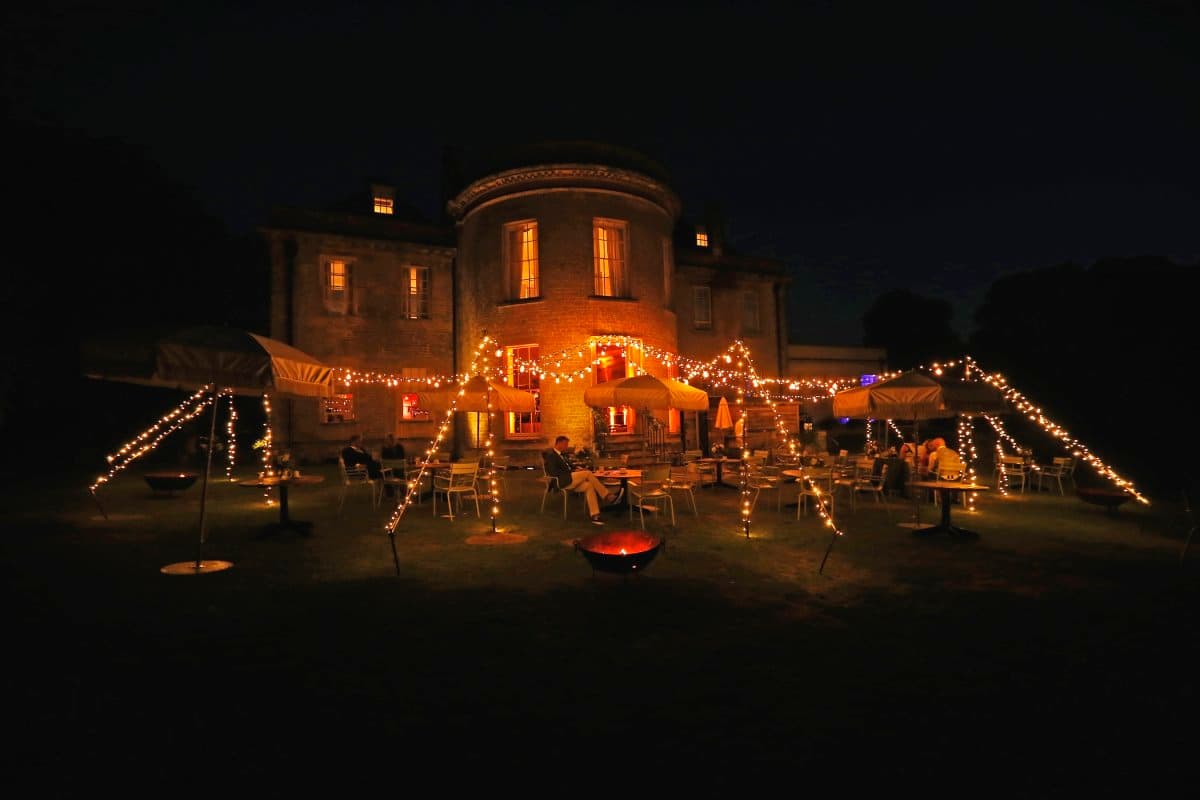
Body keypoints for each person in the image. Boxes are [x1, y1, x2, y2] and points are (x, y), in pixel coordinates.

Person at [542, 435, 622, 525]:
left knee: (589, 486)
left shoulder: (562, 455)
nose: (567, 447)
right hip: (561, 481)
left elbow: (568, 467)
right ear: (559, 443)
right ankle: (607, 496)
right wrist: (571, 472)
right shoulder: (551, 455)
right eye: (565, 444)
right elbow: (553, 472)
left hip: (569, 479)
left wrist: (576, 469)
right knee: (587, 473)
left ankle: (595, 515)